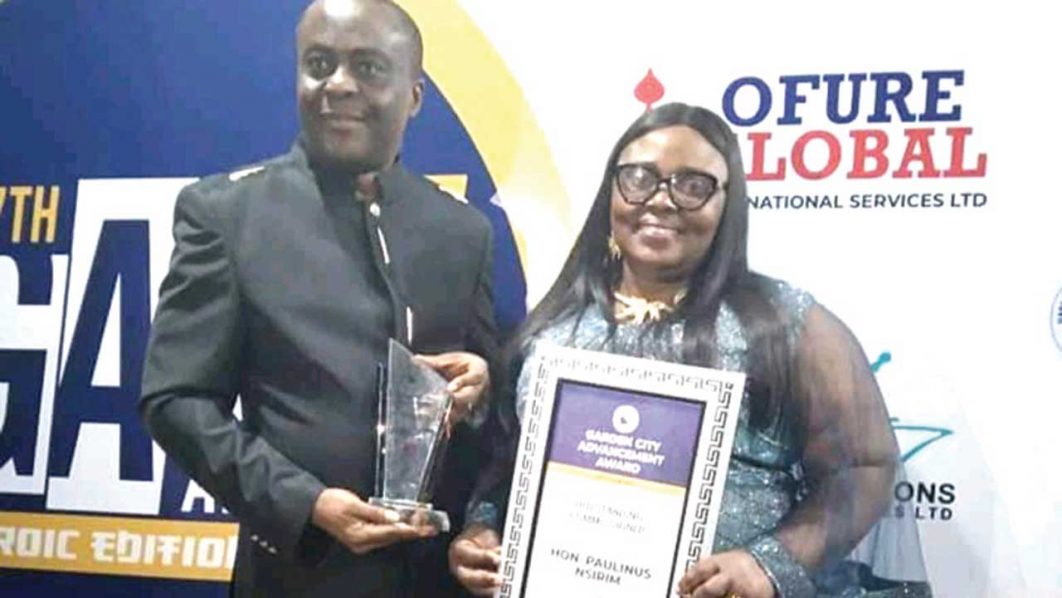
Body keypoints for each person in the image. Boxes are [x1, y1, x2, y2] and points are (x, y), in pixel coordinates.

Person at [448, 103, 932, 597]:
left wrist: (768, 564)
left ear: (728, 203)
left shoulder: (784, 323)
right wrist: (483, 533)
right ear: (612, 190)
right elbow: (505, 466)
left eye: (692, 185)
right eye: (639, 178)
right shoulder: (551, 332)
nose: (661, 200)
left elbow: (865, 466)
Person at [139, 1, 500, 596]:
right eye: (319, 64)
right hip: (298, 575)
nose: (338, 85)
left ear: (414, 96)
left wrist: (481, 389)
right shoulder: (228, 215)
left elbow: (491, 412)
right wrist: (304, 503)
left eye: (368, 67)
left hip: (435, 579)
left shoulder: (463, 231)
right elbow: (175, 400)